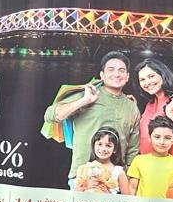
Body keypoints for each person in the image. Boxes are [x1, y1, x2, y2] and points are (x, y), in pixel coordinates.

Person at [45, 51, 141, 182]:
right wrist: (84, 101)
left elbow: (132, 149)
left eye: (121, 70)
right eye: (111, 69)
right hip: (82, 178)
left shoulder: (132, 107)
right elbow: (50, 115)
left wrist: (128, 180)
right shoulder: (89, 94)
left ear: (127, 76)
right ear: (102, 75)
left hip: (114, 181)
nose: (117, 74)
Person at [72, 127, 129, 194]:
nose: (103, 149)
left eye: (108, 146)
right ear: (93, 145)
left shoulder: (118, 172)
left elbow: (127, 198)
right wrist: (85, 186)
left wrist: (107, 194)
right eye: (99, 144)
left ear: (115, 149)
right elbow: (74, 194)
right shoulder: (86, 168)